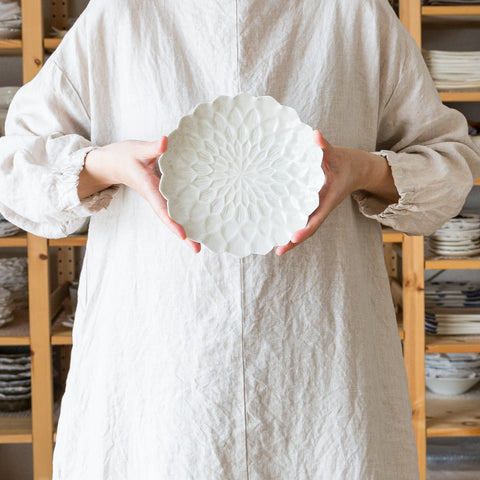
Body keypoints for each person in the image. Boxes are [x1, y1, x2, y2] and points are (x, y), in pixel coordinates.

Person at [0, 0, 479, 478]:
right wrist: (105, 163)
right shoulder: (123, 14)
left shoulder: (354, 14)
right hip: (157, 379)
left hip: (323, 377)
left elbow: (450, 165)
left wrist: (363, 169)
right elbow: (17, 169)